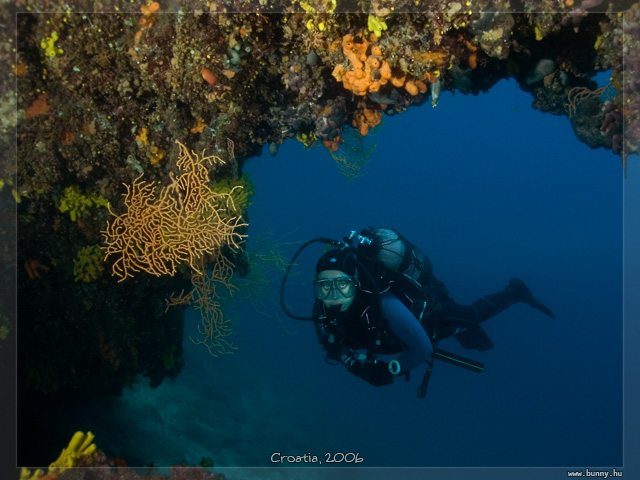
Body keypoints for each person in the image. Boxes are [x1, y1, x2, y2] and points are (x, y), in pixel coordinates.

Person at [310, 243, 556, 390]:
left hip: (428, 317)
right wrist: (356, 368)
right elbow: (333, 344)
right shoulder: (320, 311)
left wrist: (392, 369)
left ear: (355, 283)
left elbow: (423, 349)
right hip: (391, 338)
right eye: (324, 286)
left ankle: (515, 292)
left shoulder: (385, 306)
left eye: (342, 285)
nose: (333, 295)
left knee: (471, 316)